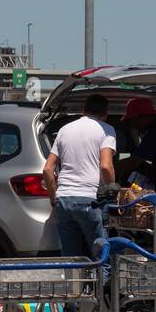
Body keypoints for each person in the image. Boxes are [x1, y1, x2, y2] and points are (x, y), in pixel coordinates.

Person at [42, 93, 116, 260]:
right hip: (89, 200)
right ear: (105, 114)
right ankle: (102, 286)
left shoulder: (64, 130)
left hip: (64, 200)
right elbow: (105, 166)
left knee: (71, 258)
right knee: (101, 256)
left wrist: (54, 200)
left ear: (84, 110)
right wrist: (112, 191)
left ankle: (74, 286)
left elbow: (47, 170)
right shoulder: (106, 130)